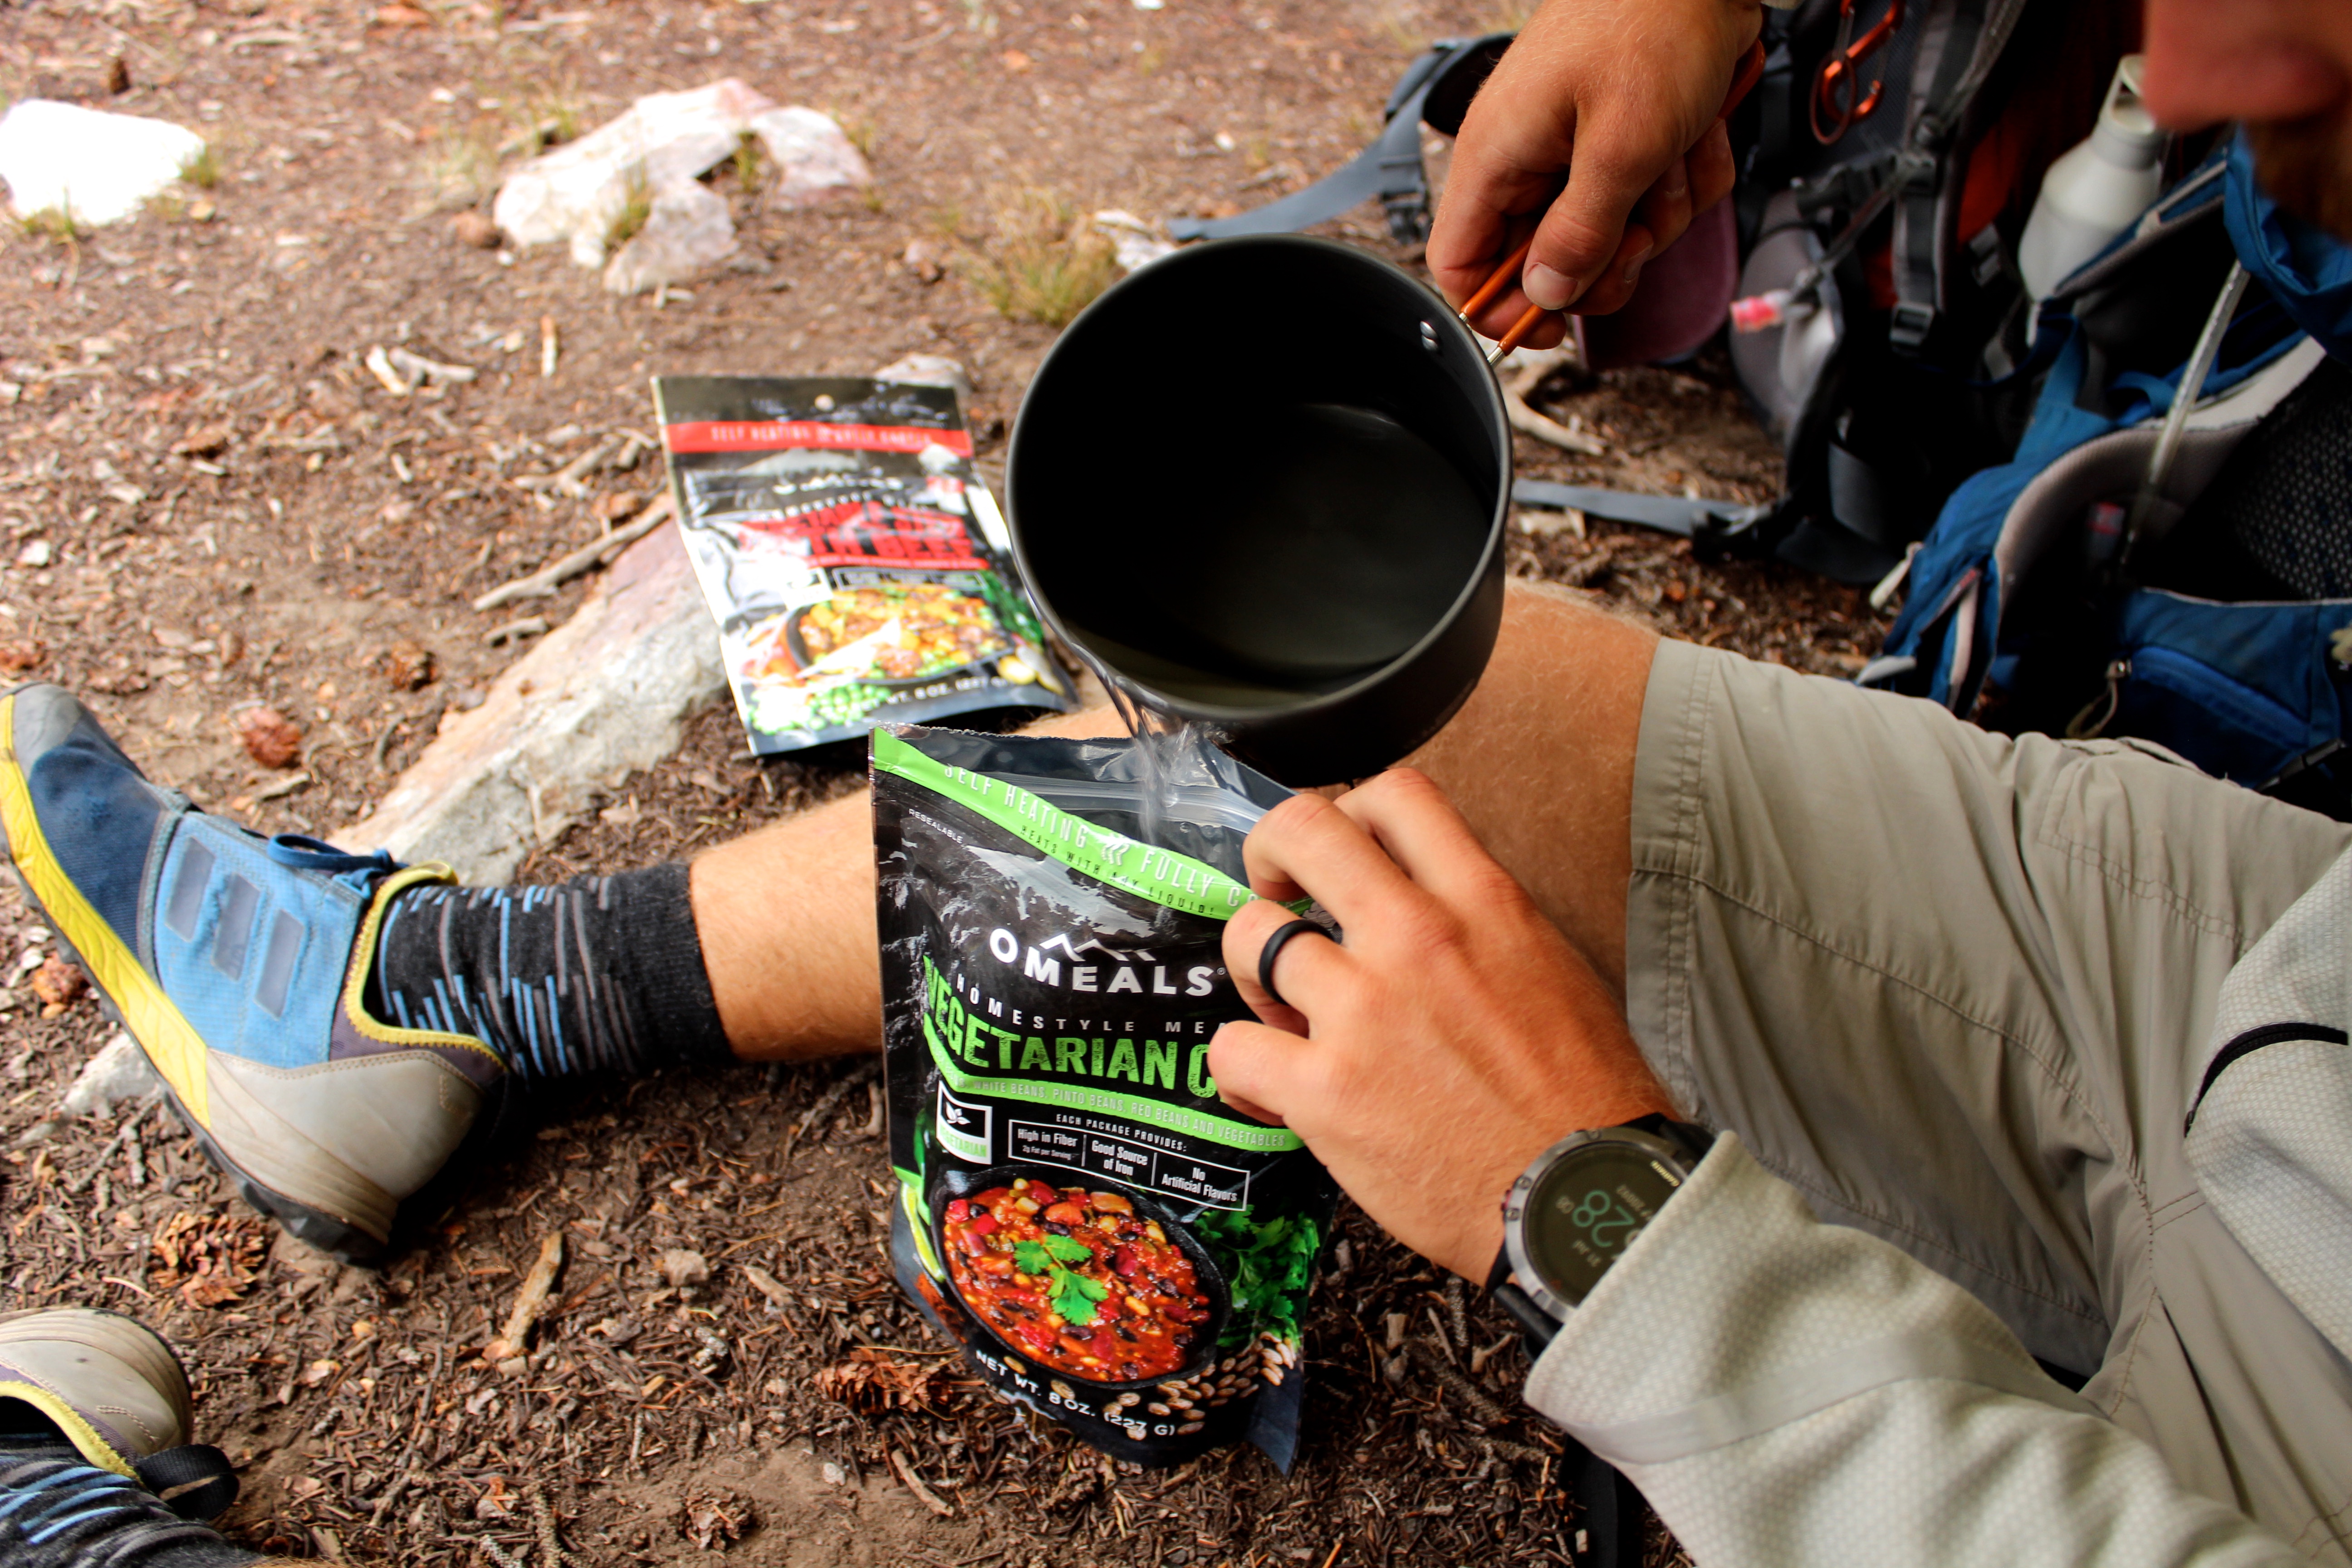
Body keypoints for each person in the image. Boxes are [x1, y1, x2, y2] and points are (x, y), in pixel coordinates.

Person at [7, 0, 2352, 1561]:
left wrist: (1606, 1216)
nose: (2190, 67)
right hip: (2283, 962)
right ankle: (450, 994)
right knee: (1455, 716)